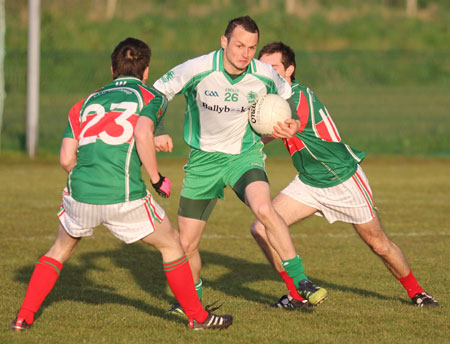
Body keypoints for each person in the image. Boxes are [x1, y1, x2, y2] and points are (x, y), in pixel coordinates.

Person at [10, 38, 233, 332]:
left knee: (59, 251)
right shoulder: (151, 96)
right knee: (172, 245)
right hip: (123, 194)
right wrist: (157, 179)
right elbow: (141, 132)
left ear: (112, 68)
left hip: (80, 192)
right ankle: (198, 317)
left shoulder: (85, 102)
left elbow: (66, 158)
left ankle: (23, 318)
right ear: (146, 71)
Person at [152, 16, 328, 315]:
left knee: (264, 209)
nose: (245, 53)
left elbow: (289, 97)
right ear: (224, 42)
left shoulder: (264, 74)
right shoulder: (198, 68)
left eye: (251, 47)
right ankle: (191, 303)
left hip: (244, 156)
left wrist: (293, 122)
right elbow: (156, 93)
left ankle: (301, 282)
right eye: (239, 45)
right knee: (187, 244)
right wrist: (158, 129)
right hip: (203, 161)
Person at [251, 41, 439, 309]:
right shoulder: (274, 100)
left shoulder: (298, 96)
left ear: (290, 69)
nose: (268, 73)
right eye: (263, 68)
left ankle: (417, 292)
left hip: (342, 179)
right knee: (261, 228)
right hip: (309, 182)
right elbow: (270, 130)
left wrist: (263, 136)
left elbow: (289, 123)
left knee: (379, 244)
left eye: (274, 68)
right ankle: (296, 294)